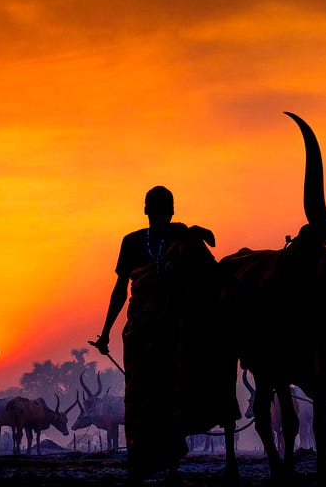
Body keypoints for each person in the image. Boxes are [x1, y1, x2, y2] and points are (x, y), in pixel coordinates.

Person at [93, 186, 237, 484]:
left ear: (172, 210)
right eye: (156, 207)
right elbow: (121, 289)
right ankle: (140, 462)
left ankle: (171, 459)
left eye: (165, 208)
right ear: (146, 210)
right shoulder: (131, 242)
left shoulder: (182, 238)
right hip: (139, 332)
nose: (161, 212)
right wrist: (106, 331)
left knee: (176, 393)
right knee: (139, 398)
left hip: (177, 330)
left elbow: (210, 275)